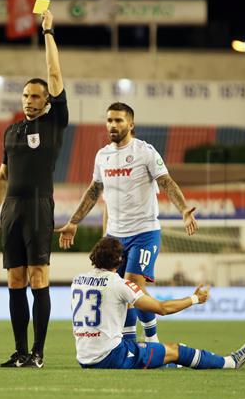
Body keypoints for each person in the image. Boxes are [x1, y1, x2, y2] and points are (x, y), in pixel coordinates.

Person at [56, 102, 197, 345]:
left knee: (132, 285)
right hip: (115, 236)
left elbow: (166, 182)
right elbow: (94, 191)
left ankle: (152, 338)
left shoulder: (145, 152)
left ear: (131, 124)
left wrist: (184, 209)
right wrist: (73, 222)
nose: (113, 125)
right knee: (120, 292)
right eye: (110, 120)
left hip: (144, 232)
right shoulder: (103, 156)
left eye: (119, 120)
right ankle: (130, 342)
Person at [0, 9, 67, 368]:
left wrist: (47, 32)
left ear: (47, 101)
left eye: (36, 96)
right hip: (12, 209)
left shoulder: (53, 123)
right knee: (15, 280)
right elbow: (2, 175)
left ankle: (38, 352)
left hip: (38, 206)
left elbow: (54, 74)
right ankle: (20, 351)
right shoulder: (11, 132)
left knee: (38, 277)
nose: (29, 100)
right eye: (25, 96)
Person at [72, 237, 245, 370]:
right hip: (111, 357)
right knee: (177, 350)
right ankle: (230, 362)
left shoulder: (78, 280)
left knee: (138, 334)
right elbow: (162, 308)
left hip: (84, 357)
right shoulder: (120, 284)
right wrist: (194, 299)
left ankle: (153, 356)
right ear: (120, 261)